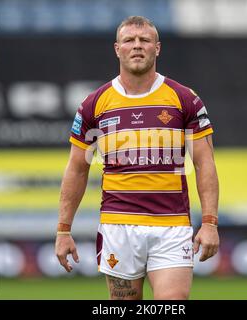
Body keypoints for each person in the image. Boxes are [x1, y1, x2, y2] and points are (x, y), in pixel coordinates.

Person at [55, 16, 220, 300]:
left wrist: (209, 222)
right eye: (129, 40)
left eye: (144, 40)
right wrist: (63, 230)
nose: (137, 46)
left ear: (157, 48)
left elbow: (204, 163)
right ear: (117, 48)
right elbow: (77, 169)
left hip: (172, 225)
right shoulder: (94, 104)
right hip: (119, 226)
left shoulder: (185, 99)